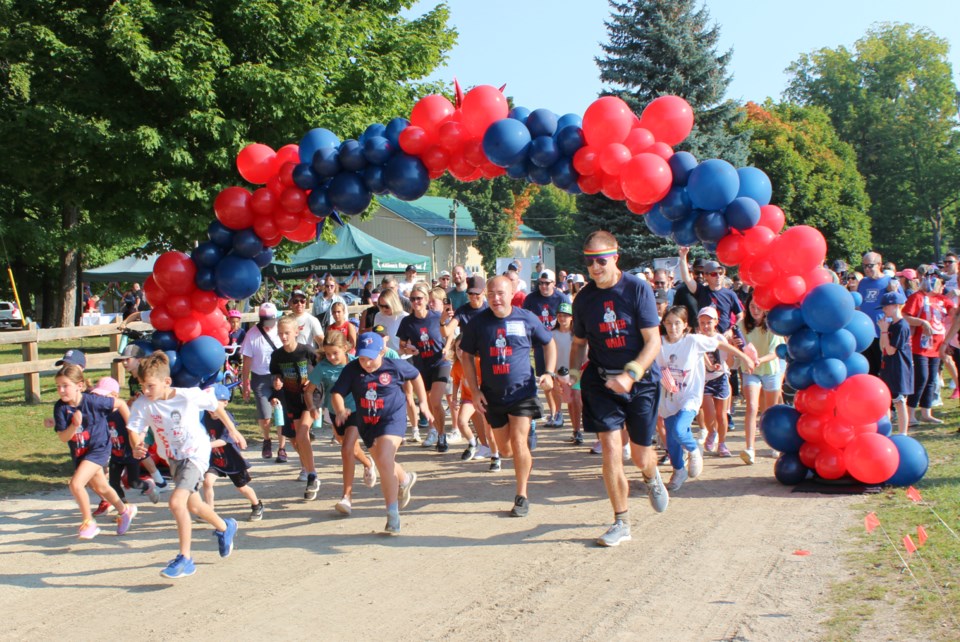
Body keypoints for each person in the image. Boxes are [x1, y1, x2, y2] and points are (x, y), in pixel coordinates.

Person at [568, 231, 664, 548]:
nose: (595, 267)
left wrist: (630, 375)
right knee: (610, 449)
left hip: (641, 381)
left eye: (601, 260)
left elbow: (653, 342)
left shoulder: (637, 289)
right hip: (601, 380)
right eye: (590, 261)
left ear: (615, 257)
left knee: (639, 455)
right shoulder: (583, 299)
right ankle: (621, 521)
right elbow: (579, 344)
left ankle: (650, 475)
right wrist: (571, 375)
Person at [126, 352, 239, 579]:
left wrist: (233, 430)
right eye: (142, 386)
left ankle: (185, 558)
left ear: (166, 382)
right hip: (174, 458)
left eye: (150, 386)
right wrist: (137, 445)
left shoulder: (187, 396)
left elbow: (215, 406)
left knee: (177, 502)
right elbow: (134, 428)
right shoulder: (143, 403)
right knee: (194, 506)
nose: (146, 391)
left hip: (195, 454)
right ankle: (226, 527)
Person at [460, 275, 557, 518]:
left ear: (512, 292)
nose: (495, 298)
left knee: (519, 440)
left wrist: (549, 373)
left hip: (522, 392)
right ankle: (517, 448)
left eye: (500, 293)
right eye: (490, 294)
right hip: (493, 395)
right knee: (505, 450)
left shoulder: (526, 318)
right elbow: (466, 356)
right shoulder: (479, 323)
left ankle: (521, 495)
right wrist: (475, 389)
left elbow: (549, 343)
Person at [330, 332, 432, 534]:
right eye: (362, 358)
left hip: (392, 418)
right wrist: (341, 410)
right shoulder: (352, 369)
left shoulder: (394, 366)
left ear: (381, 352)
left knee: (384, 459)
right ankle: (404, 479)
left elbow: (416, 375)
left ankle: (392, 514)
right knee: (386, 464)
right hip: (368, 422)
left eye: (370, 358)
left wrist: (424, 404)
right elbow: (337, 393)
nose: (366, 363)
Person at [53, 364, 138, 540]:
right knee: (101, 486)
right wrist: (73, 425)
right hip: (81, 452)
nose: (61, 390)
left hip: (99, 448)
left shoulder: (93, 401)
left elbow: (120, 403)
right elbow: (63, 437)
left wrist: (132, 430)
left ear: (80, 385)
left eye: (65, 385)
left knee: (76, 484)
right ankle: (125, 511)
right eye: (58, 386)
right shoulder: (60, 408)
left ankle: (88, 522)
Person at [305, 331, 377, 516]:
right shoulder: (322, 367)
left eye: (335, 353)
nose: (331, 357)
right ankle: (368, 463)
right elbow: (308, 391)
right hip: (334, 412)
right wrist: (312, 406)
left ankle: (347, 497)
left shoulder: (356, 363)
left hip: (355, 410)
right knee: (351, 449)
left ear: (345, 348)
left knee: (346, 449)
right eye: (328, 354)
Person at [397, 284, 453, 452]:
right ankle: (433, 430)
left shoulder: (437, 317)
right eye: (412, 299)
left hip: (440, 362)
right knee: (428, 403)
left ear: (427, 300)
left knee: (436, 401)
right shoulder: (407, 322)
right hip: (421, 365)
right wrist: (409, 350)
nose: (415, 302)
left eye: (419, 298)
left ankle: (442, 435)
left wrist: (447, 347)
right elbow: (401, 346)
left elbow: (449, 332)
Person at [269, 315, 320, 498]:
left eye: (287, 333)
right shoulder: (277, 356)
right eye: (280, 333)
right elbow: (275, 374)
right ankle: (309, 469)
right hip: (292, 398)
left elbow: (321, 368)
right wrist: (277, 382)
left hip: (310, 397)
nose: (283, 337)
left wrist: (314, 383)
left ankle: (312, 474)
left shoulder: (307, 351)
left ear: (297, 332)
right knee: (299, 440)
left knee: (301, 434)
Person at [95, 376, 160, 513]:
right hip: (116, 455)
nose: (100, 400)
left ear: (114, 396)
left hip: (130, 454)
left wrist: (140, 440)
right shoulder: (102, 414)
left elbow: (139, 427)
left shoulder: (123, 413)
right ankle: (124, 509)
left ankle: (148, 486)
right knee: (113, 483)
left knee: (133, 482)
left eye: (103, 396)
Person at [202, 384, 264, 521]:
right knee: (207, 482)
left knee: (242, 487)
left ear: (225, 403)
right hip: (216, 458)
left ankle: (256, 505)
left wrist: (204, 445)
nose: (211, 408)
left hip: (231, 460)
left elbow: (224, 441)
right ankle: (209, 510)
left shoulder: (227, 418)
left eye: (214, 402)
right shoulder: (204, 416)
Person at [736, 296, 784, 464]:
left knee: (770, 411)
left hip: (770, 370)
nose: (755, 310)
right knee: (751, 406)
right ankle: (750, 448)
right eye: (751, 306)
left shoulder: (772, 325)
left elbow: (775, 352)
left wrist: (758, 360)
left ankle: (774, 444)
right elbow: (736, 342)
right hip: (750, 371)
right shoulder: (741, 326)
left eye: (758, 307)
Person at [902, 270, 952, 425]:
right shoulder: (917, 297)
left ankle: (926, 412)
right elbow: (905, 316)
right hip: (920, 345)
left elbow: (954, 311)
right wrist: (922, 322)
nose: (943, 285)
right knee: (921, 378)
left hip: (937, 345)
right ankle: (910, 414)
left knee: (932, 379)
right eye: (940, 282)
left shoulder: (942, 299)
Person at [523, 269, 571, 428]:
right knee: (545, 380)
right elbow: (525, 321)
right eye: (541, 283)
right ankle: (553, 413)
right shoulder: (531, 299)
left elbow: (570, 318)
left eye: (547, 283)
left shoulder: (561, 297)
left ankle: (559, 413)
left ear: (554, 283)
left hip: (557, 343)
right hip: (539, 345)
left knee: (557, 380)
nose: (543, 286)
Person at [241, 302, 283, 460]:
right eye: (264, 322)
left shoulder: (281, 331)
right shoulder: (252, 334)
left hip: (278, 376)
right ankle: (267, 439)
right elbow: (247, 361)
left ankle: (282, 447)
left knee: (280, 412)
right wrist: (245, 384)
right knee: (265, 415)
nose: (267, 326)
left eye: (269, 322)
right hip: (260, 377)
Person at [678, 250, 743, 334]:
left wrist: (732, 331)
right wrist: (683, 256)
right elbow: (687, 279)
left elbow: (740, 316)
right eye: (714, 274)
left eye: (720, 273)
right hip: (705, 336)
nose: (718, 276)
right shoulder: (701, 291)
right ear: (706, 276)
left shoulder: (730, 294)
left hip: (724, 337)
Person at [857, 251, 901, 376]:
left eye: (870, 265)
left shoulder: (889, 281)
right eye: (864, 266)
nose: (866, 269)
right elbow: (860, 304)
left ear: (879, 265)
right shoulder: (863, 282)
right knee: (868, 367)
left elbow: (901, 303)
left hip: (882, 331)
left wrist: (894, 292)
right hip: (865, 332)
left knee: (882, 367)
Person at [878, 291, 913, 435]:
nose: (884, 310)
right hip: (887, 366)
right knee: (886, 399)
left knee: (899, 400)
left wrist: (885, 332)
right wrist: (883, 331)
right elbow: (882, 348)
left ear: (896, 306)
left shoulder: (901, 326)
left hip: (898, 367)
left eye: (886, 307)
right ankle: (888, 431)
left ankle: (903, 432)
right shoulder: (891, 325)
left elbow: (892, 350)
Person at [552, 302, 583, 444]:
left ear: (571, 317)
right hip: (561, 372)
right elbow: (550, 354)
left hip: (576, 371)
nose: (562, 319)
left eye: (565, 316)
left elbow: (584, 351)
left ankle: (579, 431)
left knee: (577, 398)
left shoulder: (577, 334)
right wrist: (552, 373)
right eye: (560, 316)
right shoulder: (552, 334)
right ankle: (575, 429)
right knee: (570, 401)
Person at [373, 288, 408, 353]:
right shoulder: (378, 316)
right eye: (381, 306)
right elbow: (376, 337)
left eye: (387, 306)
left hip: (403, 357)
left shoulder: (405, 317)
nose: (384, 309)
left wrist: (400, 352)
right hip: (386, 356)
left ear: (394, 304)